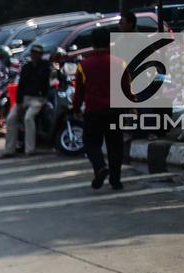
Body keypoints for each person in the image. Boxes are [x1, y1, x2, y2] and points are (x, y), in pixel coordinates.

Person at [74, 28, 123, 191]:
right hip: (115, 112)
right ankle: (116, 181)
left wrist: (75, 109)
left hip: (93, 112)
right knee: (115, 146)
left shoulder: (83, 65)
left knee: (91, 144)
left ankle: (100, 167)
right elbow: (126, 88)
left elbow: (79, 92)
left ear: (92, 44)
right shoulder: (119, 62)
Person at [1, 45, 50, 157]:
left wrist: (44, 98)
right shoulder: (26, 68)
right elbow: (21, 86)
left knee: (28, 117)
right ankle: (9, 150)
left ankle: (30, 149)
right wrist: (19, 103)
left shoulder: (45, 67)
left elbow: (45, 85)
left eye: (37, 53)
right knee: (10, 119)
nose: (34, 55)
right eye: (33, 53)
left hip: (38, 98)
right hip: (24, 98)